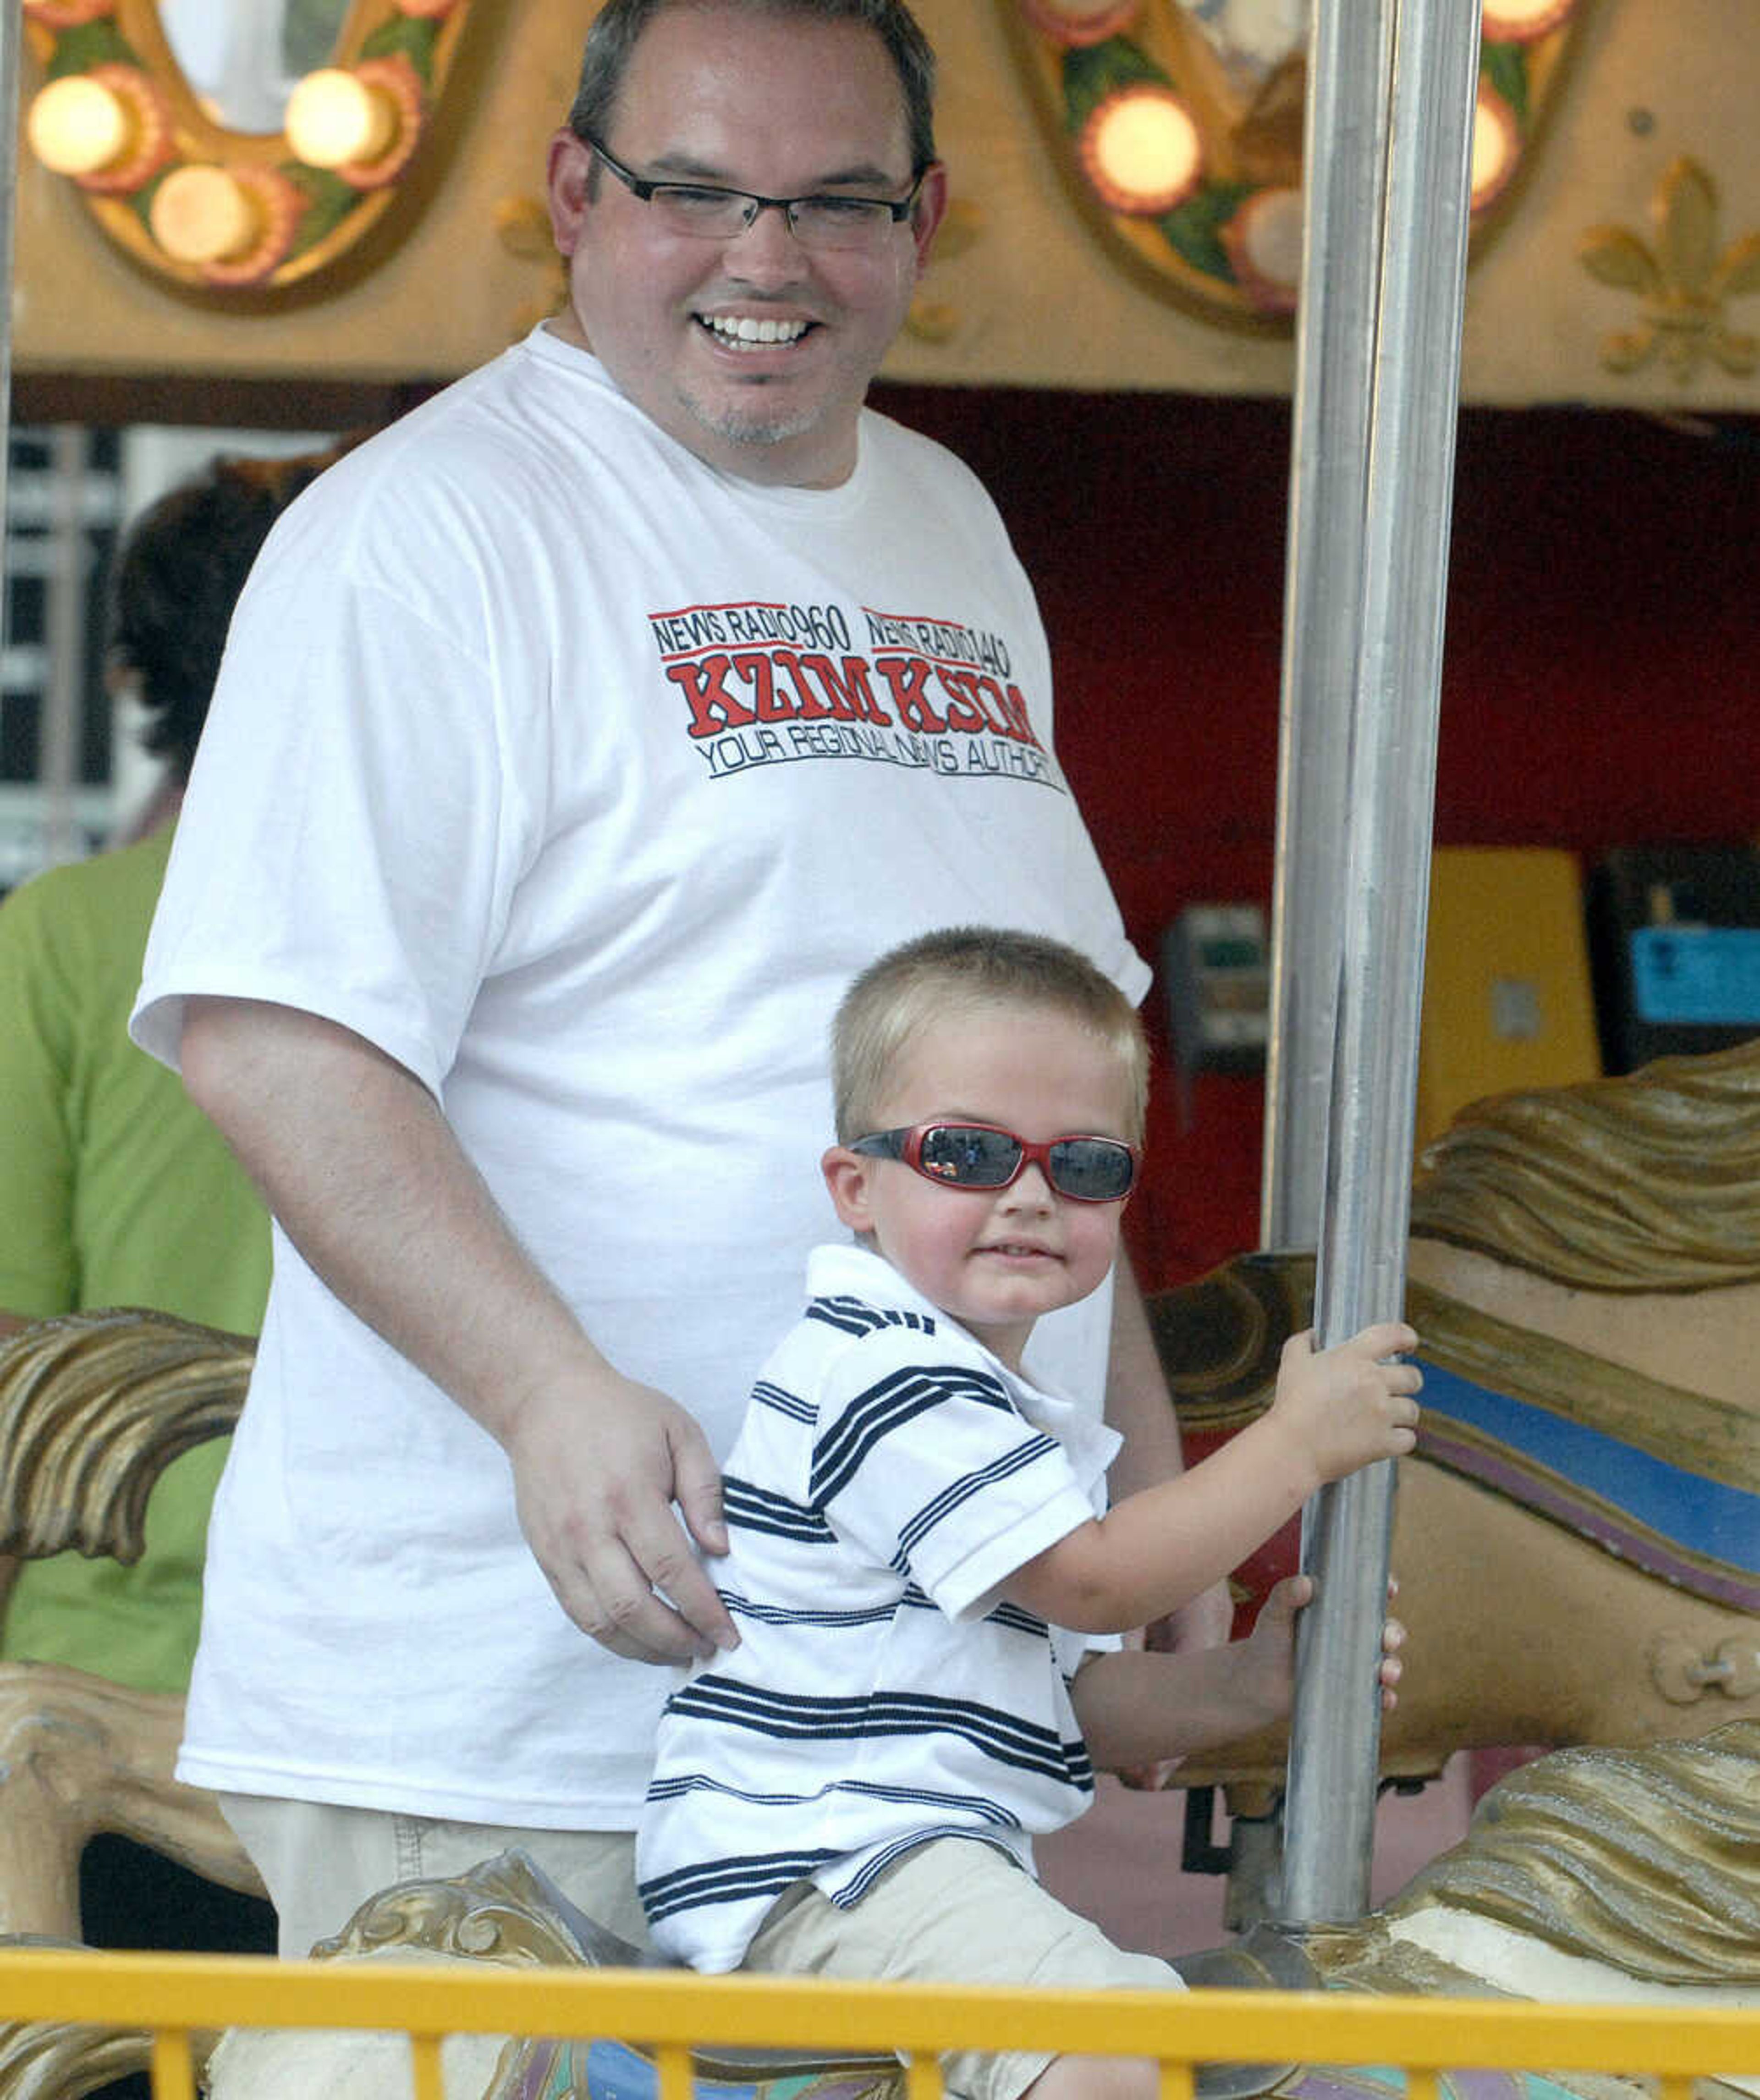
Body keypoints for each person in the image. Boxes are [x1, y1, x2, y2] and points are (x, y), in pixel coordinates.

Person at [130, 0, 1229, 1961]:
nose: (768, 259)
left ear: (927, 217)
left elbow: (1048, 1089)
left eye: (836, 202)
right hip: (517, 1687)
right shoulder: (425, 533)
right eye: (697, 192)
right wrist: (548, 1390)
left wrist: (1135, 1484)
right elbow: (273, 1036)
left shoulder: (950, 529)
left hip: (901, 1718)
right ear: (575, 192)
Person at [637, 927, 1419, 2100]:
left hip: (899, 1850)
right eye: (967, 1153)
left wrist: (1255, 1684)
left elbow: (1063, 1699)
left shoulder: (991, 1406)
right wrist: (1293, 1446)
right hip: (830, 1852)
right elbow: (1094, 1581)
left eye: (1087, 1166)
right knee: (1113, 2051)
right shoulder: (886, 1374)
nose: (1031, 1196)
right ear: (857, 1185)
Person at [0, 454, 337, 2032]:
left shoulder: (64, 936)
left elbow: (12, 1333)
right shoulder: (470, 936)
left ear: (138, 676)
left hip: (95, 1701)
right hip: (384, 1679)